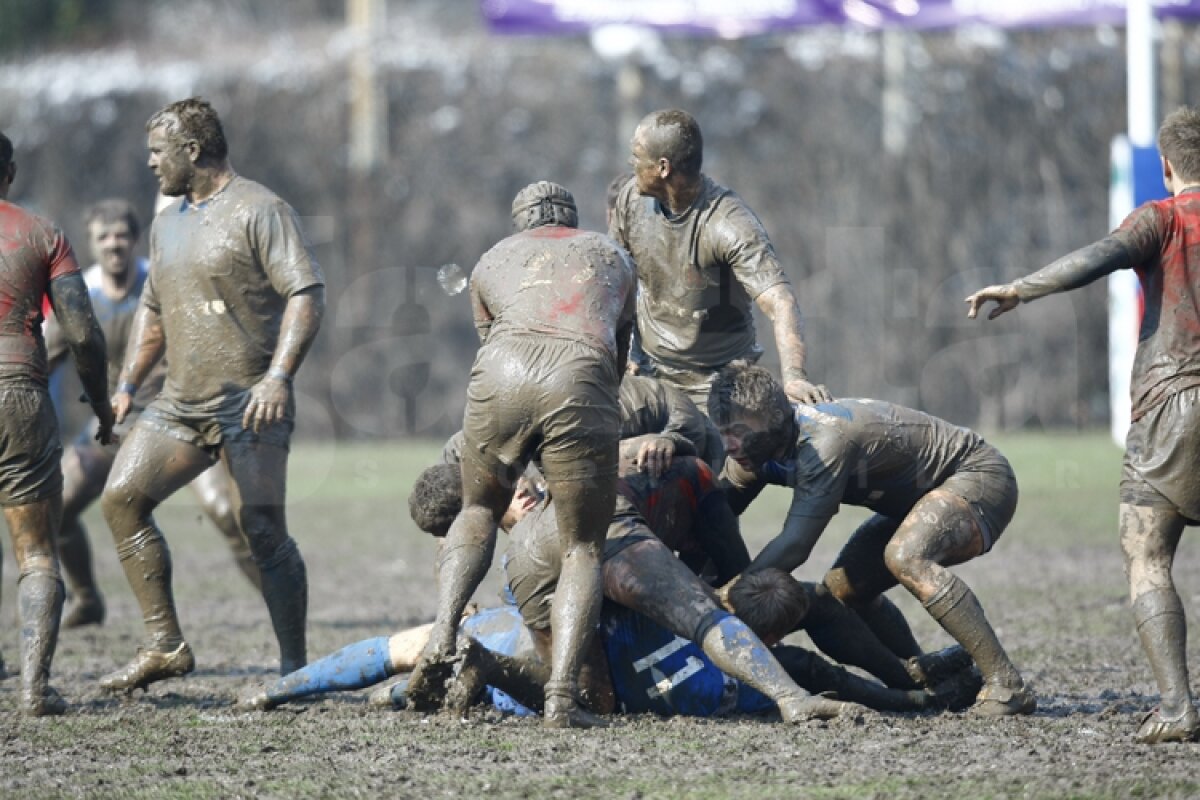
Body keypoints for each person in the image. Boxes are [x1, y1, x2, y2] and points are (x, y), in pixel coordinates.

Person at [241, 466, 960, 717]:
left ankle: (292, 689)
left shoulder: (678, 611)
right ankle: (420, 688)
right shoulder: (742, 688)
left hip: (539, 644)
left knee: (409, 653)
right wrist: (904, 701)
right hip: (561, 649)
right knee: (444, 662)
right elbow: (818, 669)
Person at [965, 106, 1200, 743]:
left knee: (1147, 554)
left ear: (1166, 165)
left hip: (1173, 407)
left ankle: (1179, 707)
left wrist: (1020, 289)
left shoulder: (1162, 217)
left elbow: (1097, 258)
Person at [97, 98, 325, 693]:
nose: (150, 163)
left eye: (157, 151)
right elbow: (153, 311)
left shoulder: (261, 209)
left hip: (250, 402)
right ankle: (164, 644)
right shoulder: (166, 220)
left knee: (264, 530)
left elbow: (306, 293)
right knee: (120, 500)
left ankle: (293, 667)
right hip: (178, 403)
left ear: (191, 150)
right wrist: (124, 385)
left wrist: (278, 377)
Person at [410, 181, 635, 728]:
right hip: (579, 377)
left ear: (521, 223)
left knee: (478, 509)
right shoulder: (613, 256)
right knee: (583, 547)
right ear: (572, 218)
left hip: (502, 377)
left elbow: (492, 339)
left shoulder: (493, 259)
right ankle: (561, 697)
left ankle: (441, 637)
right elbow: (619, 353)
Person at [711, 364, 1034, 716]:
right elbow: (716, 516)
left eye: (739, 431)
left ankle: (1006, 684)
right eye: (723, 432)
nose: (729, 445)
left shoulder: (823, 440)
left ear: (774, 417)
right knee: (841, 592)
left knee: (906, 556)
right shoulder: (752, 453)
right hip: (915, 501)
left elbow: (796, 543)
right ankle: (920, 678)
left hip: (977, 477)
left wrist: (725, 595)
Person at [44, 199, 260, 628]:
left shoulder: (161, 284)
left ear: (135, 238)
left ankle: (274, 601)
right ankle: (87, 598)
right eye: (104, 237)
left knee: (225, 513)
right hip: (113, 426)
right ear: (91, 242)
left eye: (121, 235)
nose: (113, 245)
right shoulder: (78, 295)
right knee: (59, 506)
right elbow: (45, 358)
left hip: (178, 423)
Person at [608, 109, 830, 419]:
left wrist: (794, 376)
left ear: (663, 167)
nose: (631, 164)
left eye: (636, 156)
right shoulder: (631, 200)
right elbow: (615, 281)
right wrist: (624, 355)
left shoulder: (728, 223)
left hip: (717, 387)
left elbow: (780, 301)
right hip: (650, 376)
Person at [0, 130, 114, 714]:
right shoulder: (43, 233)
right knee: (37, 551)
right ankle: (34, 688)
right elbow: (82, 333)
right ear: (11, 171)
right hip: (18, 392)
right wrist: (102, 402)